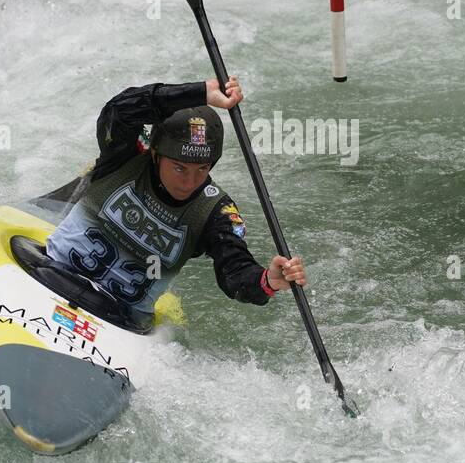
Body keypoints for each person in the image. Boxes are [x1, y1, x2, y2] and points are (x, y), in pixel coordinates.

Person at [44, 76, 307, 327]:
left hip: (122, 318)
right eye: (180, 168)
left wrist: (267, 281)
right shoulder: (124, 156)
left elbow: (234, 272)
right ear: (155, 154)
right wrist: (200, 92)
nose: (190, 182)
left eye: (202, 169)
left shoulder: (215, 211)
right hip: (49, 272)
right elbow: (120, 109)